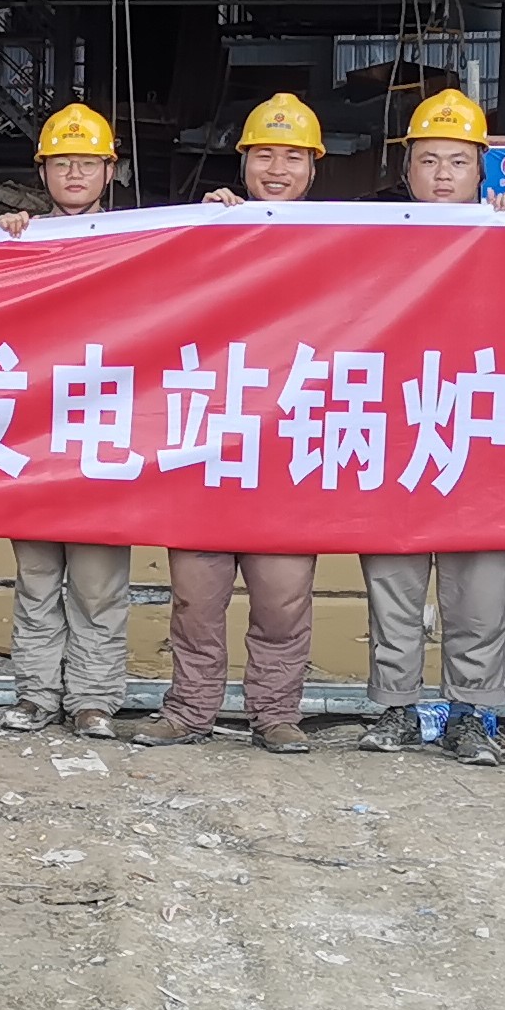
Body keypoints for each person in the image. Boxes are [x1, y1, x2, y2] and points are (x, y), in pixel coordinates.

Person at [149, 96, 329, 752]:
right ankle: (189, 710)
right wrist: (202, 231)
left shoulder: (346, 240)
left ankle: (275, 714)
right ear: (243, 161)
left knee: (283, 599)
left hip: (287, 446)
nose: (276, 169)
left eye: (292, 157)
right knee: (196, 598)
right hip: (209, 440)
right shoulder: (208, 228)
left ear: (313, 167)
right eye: (264, 155)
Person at [364, 86, 505, 762]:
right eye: (428, 160)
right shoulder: (371, 237)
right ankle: (395, 708)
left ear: (481, 167)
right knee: (393, 585)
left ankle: (470, 713)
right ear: (407, 168)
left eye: (457, 161)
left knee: (478, 590)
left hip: (478, 433)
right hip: (394, 431)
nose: (442, 175)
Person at [0, 103, 133, 736]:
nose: (74, 174)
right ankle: (36, 693)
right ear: (42, 170)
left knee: (99, 585)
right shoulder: (19, 239)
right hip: (35, 435)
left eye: (87, 163)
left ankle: (93, 698)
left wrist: (222, 214)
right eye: (62, 163)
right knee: (37, 577)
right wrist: (1, 238)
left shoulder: (144, 239)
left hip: (104, 435)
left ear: (110, 170)